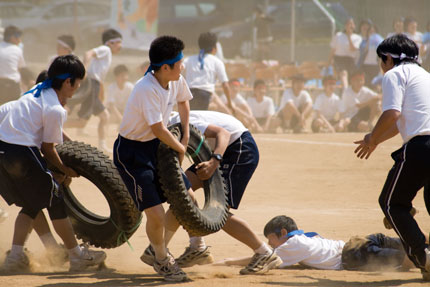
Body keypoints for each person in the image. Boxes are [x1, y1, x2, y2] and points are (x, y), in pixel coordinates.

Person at [140, 110, 282, 275]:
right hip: (212, 153)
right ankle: (197, 248)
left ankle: (264, 253)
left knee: (218, 213)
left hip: (238, 148)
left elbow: (224, 133)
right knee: (181, 194)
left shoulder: (180, 121)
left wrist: (214, 162)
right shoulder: (161, 128)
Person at [0, 55, 106, 272]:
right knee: (55, 198)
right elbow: (48, 149)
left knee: (31, 204)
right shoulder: (55, 108)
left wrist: (76, 149)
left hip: (3, 151)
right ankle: (77, 257)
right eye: (78, 84)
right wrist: (67, 170)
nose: (77, 89)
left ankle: (16, 256)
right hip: (21, 151)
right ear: (68, 82)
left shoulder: (39, 90)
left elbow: (50, 133)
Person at [113, 35, 192, 282]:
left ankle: (156, 249)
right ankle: (161, 259)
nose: (183, 66)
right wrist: (180, 149)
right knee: (156, 213)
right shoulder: (146, 89)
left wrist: (186, 136)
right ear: (165, 67)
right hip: (132, 153)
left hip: (158, 148)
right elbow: (158, 128)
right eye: (179, 62)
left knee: (186, 200)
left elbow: (183, 103)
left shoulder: (175, 78)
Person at [354, 34, 430, 281]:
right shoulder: (425, 76)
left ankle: (424, 256)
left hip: (422, 146)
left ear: (387, 58)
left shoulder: (394, 75)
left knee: (392, 203)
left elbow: (392, 114)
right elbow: (400, 124)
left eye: (381, 60)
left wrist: (372, 137)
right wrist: (374, 139)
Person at [217, 215, 419, 271]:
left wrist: (228, 261)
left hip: (353, 255)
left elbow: (264, 257)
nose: (272, 246)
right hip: (362, 241)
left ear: (283, 233)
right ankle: (414, 228)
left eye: (272, 240)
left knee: (411, 260)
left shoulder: (290, 245)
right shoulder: (309, 237)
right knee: (412, 241)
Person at [76, 29, 122, 152]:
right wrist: (83, 70)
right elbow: (88, 53)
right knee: (81, 122)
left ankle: (102, 145)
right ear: (110, 43)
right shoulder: (105, 49)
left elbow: (100, 78)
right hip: (91, 84)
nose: (120, 46)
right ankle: (58, 126)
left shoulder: (108, 54)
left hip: (94, 86)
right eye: (118, 42)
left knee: (105, 116)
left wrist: (101, 94)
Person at [183, 32, 234, 112]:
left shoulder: (189, 59)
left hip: (189, 95)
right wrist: (230, 103)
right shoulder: (217, 62)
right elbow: (225, 85)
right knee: (222, 111)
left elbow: (178, 71)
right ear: (215, 47)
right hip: (205, 96)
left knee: (193, 117)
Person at [328, 18, 362, 87]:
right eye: (348, 24)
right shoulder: (338, 35)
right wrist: (329, 61)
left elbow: (353, 49)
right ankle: (345, 91)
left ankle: (347, 91)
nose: (350, 26)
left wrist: (349, 36)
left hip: (350, 60)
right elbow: (333, 49)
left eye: (351, 24)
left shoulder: (357, 37)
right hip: (339, 59)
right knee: (344, 73)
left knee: (350, 77)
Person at [0, 26, 25, 105]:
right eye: (18, 37)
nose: (20, 40)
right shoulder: (17, 49)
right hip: (12, 87)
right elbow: (21, 69)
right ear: (12, 37)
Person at [357, 20, 384, 87]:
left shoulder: (380, 41)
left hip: (375, 66)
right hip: (365, 65)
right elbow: (363, 50)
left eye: (373, 32)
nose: (372, 33)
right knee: (366, 83)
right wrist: (369, 40)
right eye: (370, 32)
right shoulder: (364, 41)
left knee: (375, 84)